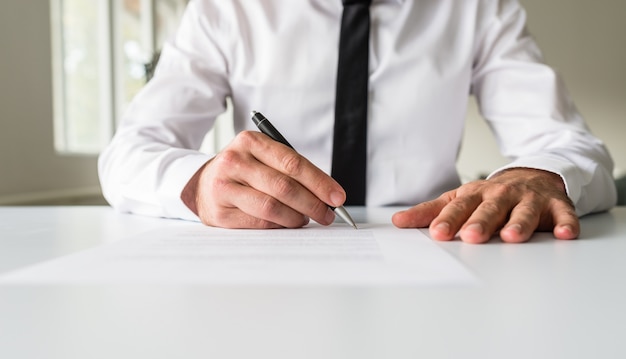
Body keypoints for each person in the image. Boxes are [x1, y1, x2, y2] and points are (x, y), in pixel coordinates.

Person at [98, 0, 617, 244]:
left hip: (437, 250)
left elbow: (567, 143)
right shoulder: (226, 10)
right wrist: (199, 184)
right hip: (268, 267)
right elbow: (129, 152)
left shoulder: (478, 8)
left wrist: (542, 173)